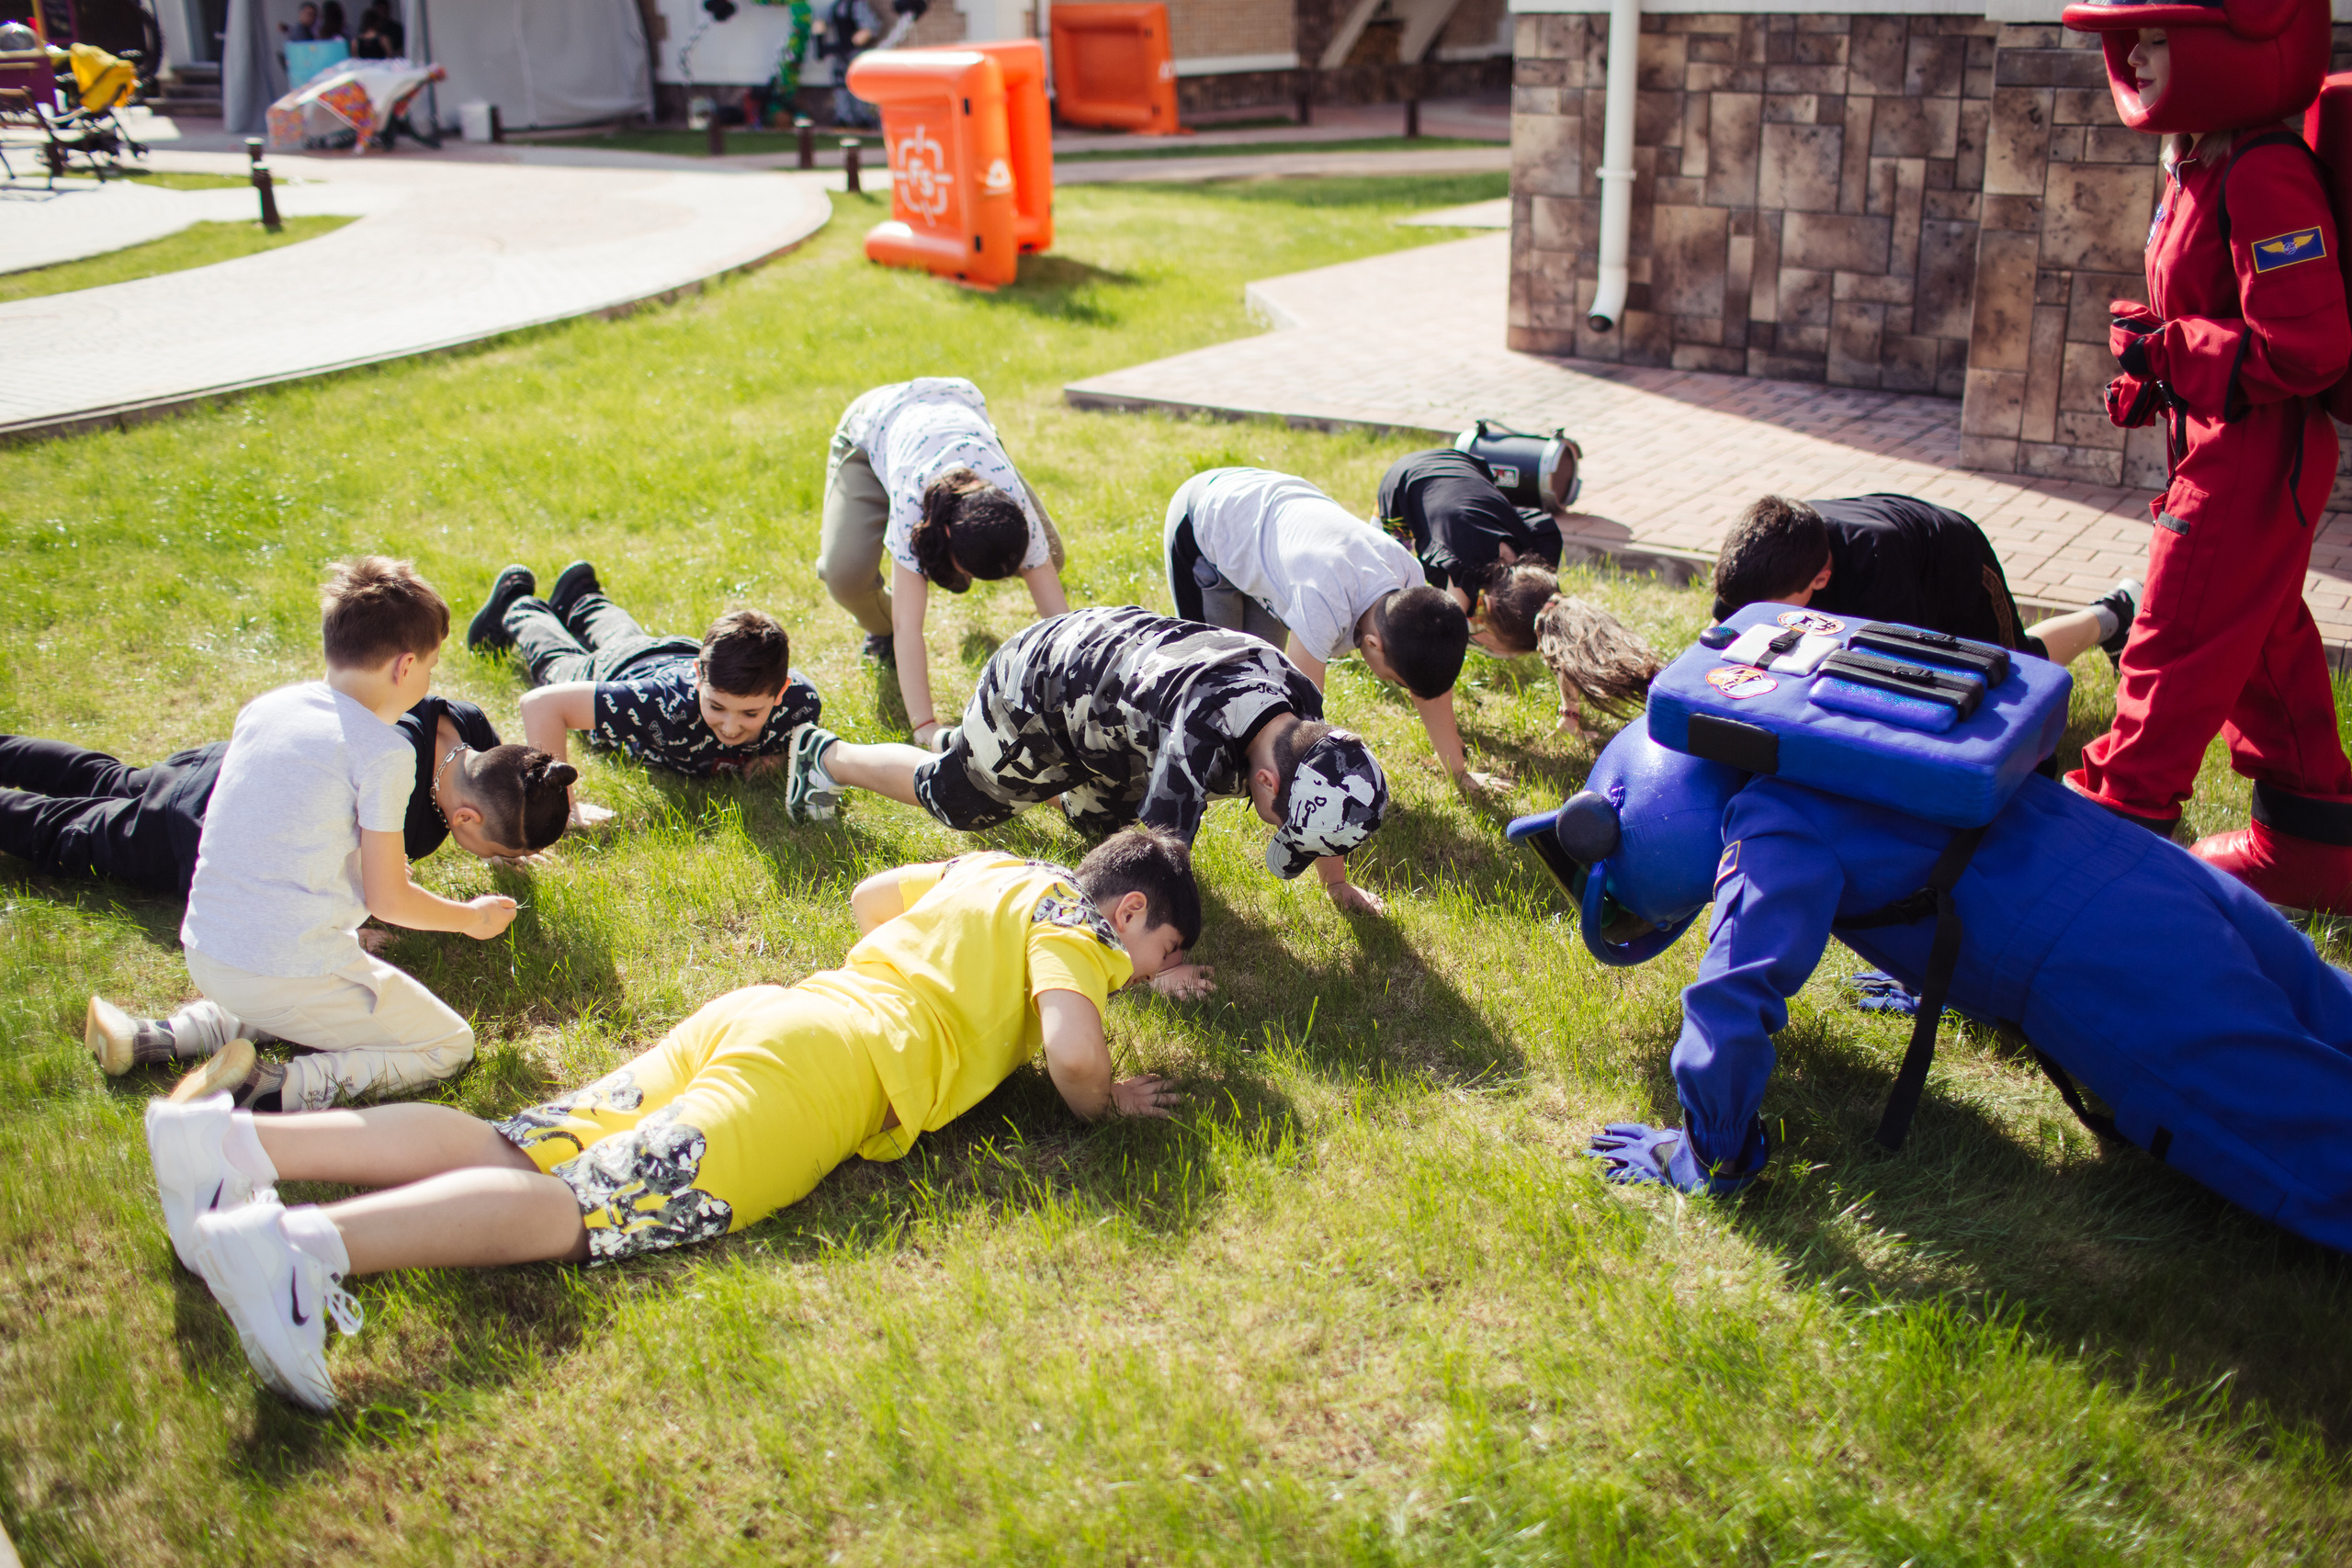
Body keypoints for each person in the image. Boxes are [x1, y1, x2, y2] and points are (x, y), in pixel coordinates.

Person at [146, 829, 1213, 1411]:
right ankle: (298, 1253)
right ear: (1127, 910)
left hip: (768, 1011)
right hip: (821, 1080)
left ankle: (231, 1143)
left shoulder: (1001, 870)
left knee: (520, 1143)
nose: (1138, 977)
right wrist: (1107, 1100)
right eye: (1155, 955)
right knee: (575, 1209)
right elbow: (1075, 1054)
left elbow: (872, 900)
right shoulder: (1079, 932)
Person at [1541, 720, 2352, 1256]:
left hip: (2114, 961)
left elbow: (1731, 994)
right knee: (2330, 1011)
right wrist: (1932, 971)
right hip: (2147, 864)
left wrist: (1707, 1150)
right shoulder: (1827, 740)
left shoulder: (1772, 821)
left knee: (2322, 1144)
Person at [2061, 0, 2352, 911]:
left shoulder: (2263, 171)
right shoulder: (2200, 157)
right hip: (2223, 445)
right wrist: (2156, 370)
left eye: (2159, 39)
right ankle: (2313, 852)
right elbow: (2221, 310)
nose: (2136, 58)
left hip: (2250, 462)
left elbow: (2308, 348)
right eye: (2134, 40)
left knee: (2170, 650)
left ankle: (2088, 885)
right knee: (2267, 654)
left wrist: (2172, 351)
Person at [85, 559, 520, 1115]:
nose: (429, 682)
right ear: (405, 666)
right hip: (278, 968)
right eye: (431, 668)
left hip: (208, 947)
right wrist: (471, 918)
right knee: (448, 1044)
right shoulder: (385, 753)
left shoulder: (268, 708)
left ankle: (154, 1037)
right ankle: (269, 1087)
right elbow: (389, 901)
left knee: (280, 993)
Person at [780, 605, 1395, 915]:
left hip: (1112, 710)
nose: (1279, 829)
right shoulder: (1195, 741)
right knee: (956, 802)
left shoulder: (1302, 711)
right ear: (1264, 780)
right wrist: (1164, 967)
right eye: (1281, 822)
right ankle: (828, 756)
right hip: (1038, 692)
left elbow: (1325, 794)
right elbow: (1153, 867)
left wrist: (1337, 884)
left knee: (1098, 827)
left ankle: (973, 749)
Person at [4, 689, 571, 913]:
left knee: (107, 777)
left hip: (221, 763)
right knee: (62, 831)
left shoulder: (464, 725)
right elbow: (324, 871)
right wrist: (347, 928)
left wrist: (512, 842)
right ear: (465, 816)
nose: (490, 856)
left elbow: (506, 785)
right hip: (207, 824)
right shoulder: (392, 790)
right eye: (489, 848)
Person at [1163, 466, 1499, 796]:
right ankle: (1175, 770)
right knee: (1218, 678)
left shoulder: (1408, 579)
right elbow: (1302, 718)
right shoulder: (1323, 601)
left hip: (1266, 521)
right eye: (1396, 680)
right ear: (1373, 644)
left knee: (1259, 681)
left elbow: (1428, 688)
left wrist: (1459, 772)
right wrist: (1329, 793)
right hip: (1207, 518)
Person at [819, 378, 1069, 750]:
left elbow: (1061, 624)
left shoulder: (1008, 494)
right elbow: (908, 627)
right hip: (874, 428)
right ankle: (877, 627)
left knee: (1049, 557)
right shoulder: (911, 504)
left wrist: (1074, 694)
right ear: (947, 533)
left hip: (955, 413)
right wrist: (925, 725)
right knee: (845, 576)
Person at [465, 560, 821, 786]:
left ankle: (582, 597)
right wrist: (561, 801)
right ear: (699, 676)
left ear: (780, 692)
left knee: (627, 637)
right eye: (716, 706)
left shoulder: (800, 704)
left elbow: (802, 746)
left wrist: (778, 758)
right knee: (557, 661)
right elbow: (541, 705)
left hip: (661, 651)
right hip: (617, 671)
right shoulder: (661, 703)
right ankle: (518, 604)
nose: (730, 727)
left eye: (750, 713)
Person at [1711, 494, 2141, 667]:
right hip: (1883, 558)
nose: (1755, 619)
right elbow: (1718, 642)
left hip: (1952, 561)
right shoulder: (1758, 564)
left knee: (2009, 667)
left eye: (1768, 612)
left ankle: (2114, 613)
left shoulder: (1878, 572)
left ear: (1821, 580)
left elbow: (1900, 667)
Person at [1374, 447, 1564, 644]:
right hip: (1401, 481)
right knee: (1389, 571)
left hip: (1456, 462)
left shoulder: (1538, 541)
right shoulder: (1462, 569)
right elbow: (1445, 634)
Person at [819, 0, 882, 128]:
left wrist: (862, 35)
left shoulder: (858, 4)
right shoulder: (836, 6)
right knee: (840, 82)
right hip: (841, 52)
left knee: (858, 84)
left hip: (855, 52)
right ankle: (844, 117)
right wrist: (819, 39)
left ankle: (863, 117)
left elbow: (871, 27)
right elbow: (823, 21)